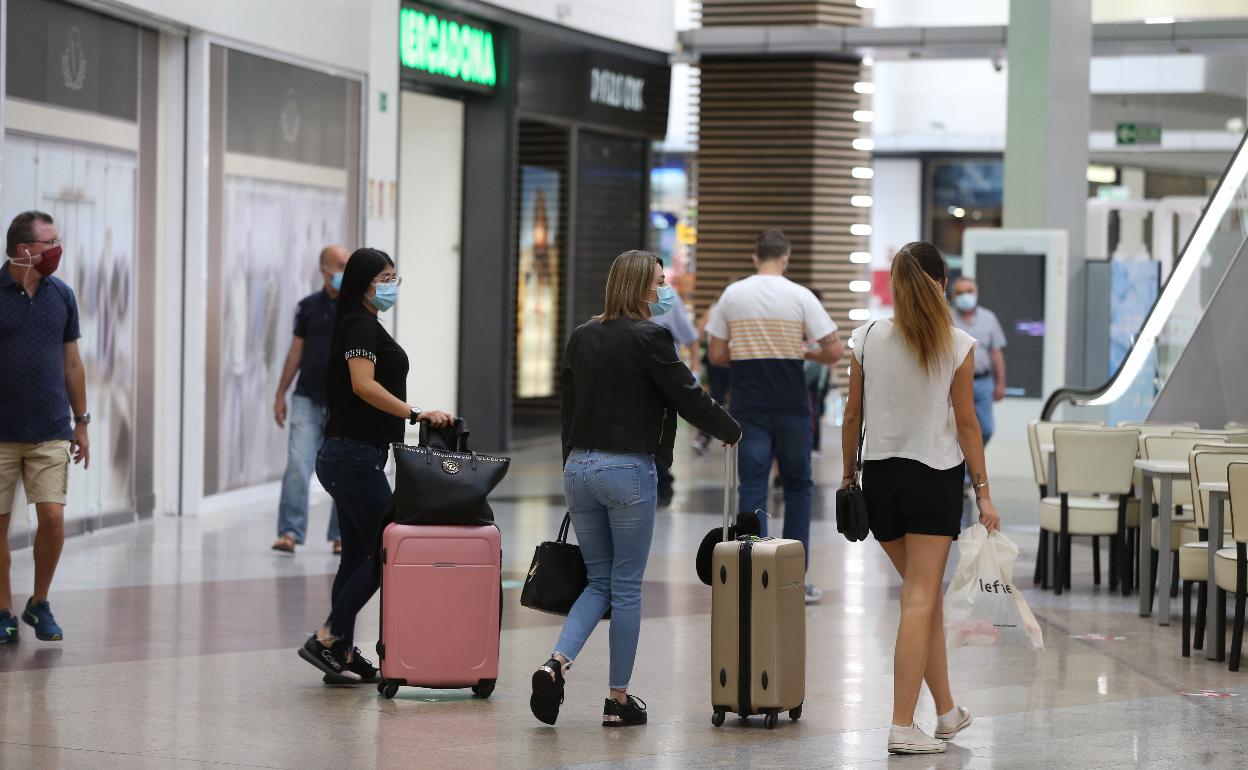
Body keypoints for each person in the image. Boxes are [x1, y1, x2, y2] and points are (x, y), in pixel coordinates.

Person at [530, 250, 740, 727]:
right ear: (644, 289)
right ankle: (617, 699)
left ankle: (554, 664)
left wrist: (571, 463)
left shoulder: (582, 336)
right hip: (627, 472)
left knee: (599, 581)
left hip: (578, 469)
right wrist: (728, 428)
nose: (666, 291)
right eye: (660, 283)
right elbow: (686, 394)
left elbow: (568, 409)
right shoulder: (652, 336)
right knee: (625, 587)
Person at [840, 242, 1000, 755]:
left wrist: (848, 477)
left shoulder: (867, 337)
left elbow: (851, 416)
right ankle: (902, 723)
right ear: (940, 284)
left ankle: (948, 711)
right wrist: (984, 493)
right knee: (919, 598)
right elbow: (968, 424)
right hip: (933, 478)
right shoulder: (955, 343)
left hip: (881, 481)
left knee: (921, 596)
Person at [296, 247, 453, 683]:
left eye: (394, 278)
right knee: (390, 551)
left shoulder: (360, 324)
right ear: (363, 282)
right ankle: (328, 638)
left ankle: (341, 651)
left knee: (358, 557)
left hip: (352, 455)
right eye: (383, 278)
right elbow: (363, 386)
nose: (390, 286)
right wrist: (414, 413)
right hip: (353, 457)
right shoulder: (361, 326)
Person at [707, 229, 843, 603]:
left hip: (747, 407)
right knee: (798, 487)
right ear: (786, 257)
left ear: (755, 257)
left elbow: (716, 354)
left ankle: (754, 575)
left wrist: (750, 350)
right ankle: (794, 580)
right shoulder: (800, 296)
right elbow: (834, 351)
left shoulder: (733, 294)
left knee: (752, 489)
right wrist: (802, 353)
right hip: (792, 407)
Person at [0, 211, 89, 643]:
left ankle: (39, 602)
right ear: (24, 250)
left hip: (51, 428)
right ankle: (2, 611)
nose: (57, 249)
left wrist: (82, 422)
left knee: (52, 519)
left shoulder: (62, 295)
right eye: (49, 242)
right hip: (0, 433)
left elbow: (72, 362)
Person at [271, 246, 348, 555]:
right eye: (340, 265)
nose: (345, 269)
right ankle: (289, 531)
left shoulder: (358, 309)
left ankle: (341, 535)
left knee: (342, 471)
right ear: (323, 268)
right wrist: (280, 393)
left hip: (344, 402)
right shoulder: (308, 307)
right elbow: (295, 352)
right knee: (297, 466)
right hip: (306, 397)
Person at [647, 284, 700, 506]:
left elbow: (690, 337)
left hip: (664, 381)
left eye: (663, 280)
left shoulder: (669, 300)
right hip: (634, 380)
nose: (663, 286)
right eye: (658, 280)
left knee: (658, 431)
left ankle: (663, 480)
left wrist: (695, 370)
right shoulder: (623, 300)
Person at [950, 277, 1007, 445]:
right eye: (959, 293)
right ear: (952, 296)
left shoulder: (989, 318)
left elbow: (996, 354)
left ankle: (969, 467)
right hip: (956, 381)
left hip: (983, 382)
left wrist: (1001, 384)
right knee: (959, 428)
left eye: (969, 291)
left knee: (987, 429)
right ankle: (965, 471)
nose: (965, 296)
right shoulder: (946, 317)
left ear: (976, 293)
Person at [692, 301, 731, 456]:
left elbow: (700, 332)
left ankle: (703, 437)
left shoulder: (714, 308)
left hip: (714, 361)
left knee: (716, 398)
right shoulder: (742, 308)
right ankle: (739, 439)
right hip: (735, 359)